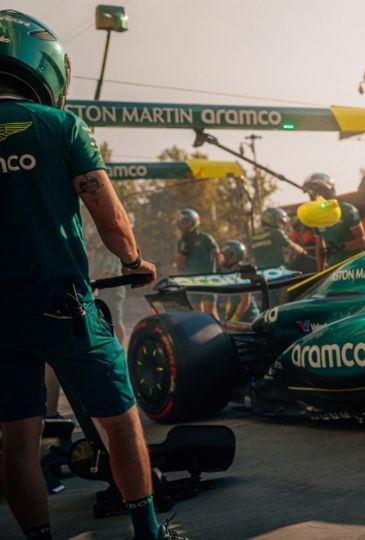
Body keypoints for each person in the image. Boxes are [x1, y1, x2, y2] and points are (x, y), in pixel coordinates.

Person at [0, 10, 183, 540]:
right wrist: (133, 262)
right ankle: (148, 532)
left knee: (18, 440)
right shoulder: (61, 126)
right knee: (120, 421)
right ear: (45, 65)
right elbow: (112, 219)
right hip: (64, 306)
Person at [302, 173, 365, 269]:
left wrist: (341, 247)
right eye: (311, 193)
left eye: (318, 191)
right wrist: (320, 273)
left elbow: (362, 241)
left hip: (353, 266)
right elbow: (319, 247)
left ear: (328, 191)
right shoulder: (315, 217)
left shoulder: (347, 210)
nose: (314, 196)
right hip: (332, 269)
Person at [250, 207, 306, 307]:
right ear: (271, 219)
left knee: (272, 308)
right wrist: (303, 251)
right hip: (279, 275)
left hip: (263, 278)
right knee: (285, 305)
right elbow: (292, 246)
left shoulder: (254, 238)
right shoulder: (276, 233)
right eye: (279, 220)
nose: (281, 224)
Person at [173, 208, 221, 319]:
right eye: (181, 222)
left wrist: (219, 269)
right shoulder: (181, 242)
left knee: (211, 311)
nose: (184, 225)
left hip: (208, 280)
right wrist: (184, 251)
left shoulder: (205, 238)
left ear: (194, 222)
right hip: (191, 281)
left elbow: (217, 253)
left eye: (186, 222)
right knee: (198, 314)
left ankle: (221, 334)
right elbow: (178, 264)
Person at [219, 240, 260, 327]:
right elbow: (231, 297)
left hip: (249, 320)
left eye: (225, 255)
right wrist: (228, 316)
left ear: (232, 256)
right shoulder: (231, 272)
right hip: (239, 319)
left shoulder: (242, 272)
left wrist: (234, 320)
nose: (222, 258)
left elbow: (245, 302)